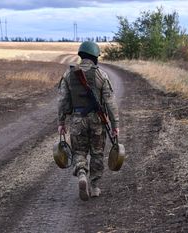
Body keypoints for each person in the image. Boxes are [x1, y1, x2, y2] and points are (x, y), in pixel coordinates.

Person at [57, 41, 119, 201]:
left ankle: (82, 173)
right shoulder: (101, 75)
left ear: (81, 55)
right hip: (97, 121)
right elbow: (111, 103)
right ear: (95, 57)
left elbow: (63, 101)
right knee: (97, 153)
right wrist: (115, 125)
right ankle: (94, 186)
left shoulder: (68, 75)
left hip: (77, 120)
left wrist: (61, 122)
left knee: (79, 152)